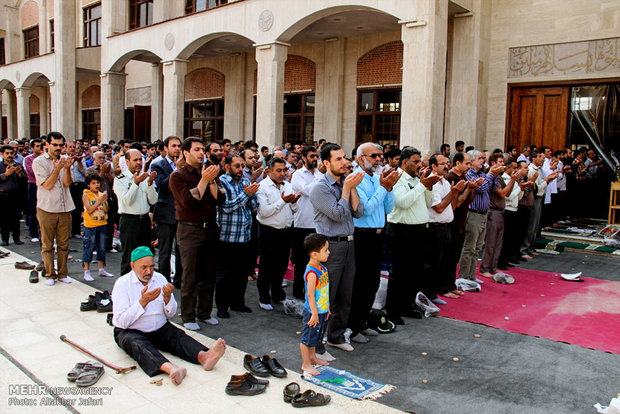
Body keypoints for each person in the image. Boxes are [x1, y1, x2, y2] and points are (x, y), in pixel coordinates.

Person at [112, 246, 226, 385]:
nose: (149, 271)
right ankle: (171, 368)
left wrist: (167, 299)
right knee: (136, 344)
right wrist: (142, 302)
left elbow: (171, 314)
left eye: (152, 267)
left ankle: (205, 357)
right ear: (132, 265)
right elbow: (121, 322)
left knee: (177, 335)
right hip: (132, 331)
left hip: (160, 328)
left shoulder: (159, 278)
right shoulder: (122, 284)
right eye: (144, 267)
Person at [310, 143, 364, 352]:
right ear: (326, 163)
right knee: (325, 298)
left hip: (349, 243)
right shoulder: (320, 187)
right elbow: (337, 214)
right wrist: (347, 189)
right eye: (339, 159)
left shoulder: (345, 183)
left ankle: (336, 336)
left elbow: (358, 211)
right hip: (329, 247)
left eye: (344, 158)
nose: (345, 163)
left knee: (345, 296)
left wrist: (351, 188)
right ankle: (315, 344)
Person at [170, 137, 224, 330]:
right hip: (189, 229)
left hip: (210, 227)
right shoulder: (178, 176)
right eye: (197, 150)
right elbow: (189, 202)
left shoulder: (209, 171)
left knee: (208, 274)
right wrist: (204, 180)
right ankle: (188, 315)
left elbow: (221, 199)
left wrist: (210, 181)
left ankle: (204, 312)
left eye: (203, 149)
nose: (202, 153)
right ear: (186, 153)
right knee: (190, 275)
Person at [348, 143, 399, 343]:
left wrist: (389, 188)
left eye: (380, 155)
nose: (379, 159)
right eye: (374, 156)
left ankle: (362, 322)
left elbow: (389, 207)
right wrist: (383, 188)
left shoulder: (378, 178)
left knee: (373, 282)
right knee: (359, 283)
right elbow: (366, 209)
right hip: (361, 235)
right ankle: (351, 326)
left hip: (378, 235)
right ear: (361, 159)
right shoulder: (355, 179)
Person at [385, 147, 440, 324]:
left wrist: (428, 187)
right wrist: (422, 186)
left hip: (419, 230)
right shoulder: (397, 178)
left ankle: (407, 306)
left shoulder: (417, 179)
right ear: (404, 162)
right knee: (400, 272)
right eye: (416, 161)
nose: (419, 165)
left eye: (419, 161)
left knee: (415, 272)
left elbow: (429, 202)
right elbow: (403, 202)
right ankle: (393, 311)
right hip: (402, 230)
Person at [215, 154, 259, 318]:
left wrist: (250, 196)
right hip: (228, 237)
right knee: (226, 274)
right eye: (237, 166)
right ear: (227, 167)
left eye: (242, 166)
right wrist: (246, 195)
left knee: (241, 273)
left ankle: (238, 303)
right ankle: (221, 306)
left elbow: (254, 205)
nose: (241, 169)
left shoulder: (246, 182)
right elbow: (226, 206)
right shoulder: (221, 182)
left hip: (245, 236)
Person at [256, 157, 300, 310]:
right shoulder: (262, 187)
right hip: (269, 231)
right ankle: (264, 297)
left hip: (286, 231)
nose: (282, 173)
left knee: (281, 265)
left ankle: (278, 294)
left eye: (285, 170)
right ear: (269, 171)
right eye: (279, 170)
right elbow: (265, 212)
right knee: (267, 265)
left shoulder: (287, 185)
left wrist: (293, 201)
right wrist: (283, 201)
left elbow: (295, 210)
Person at [32, 132, 75, 285]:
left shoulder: (64, 160)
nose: (58, 148)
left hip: (65, 208)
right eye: (55, 145)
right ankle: (50, 274)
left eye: (60, 145)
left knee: (64, 244)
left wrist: (67, 168)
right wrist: (57, 169)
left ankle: (63, 273)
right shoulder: (39, 162)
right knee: (48, 244)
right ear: (47, 145)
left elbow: (67, 183)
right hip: (47, 208)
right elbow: (48, 185)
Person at [458, 150, 503, 283]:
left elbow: (492, 188)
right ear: (471, 161)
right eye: (480, 158)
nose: (483, 161)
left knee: (477, 248)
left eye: (484, 158)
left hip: (483, 213)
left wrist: (494, 176)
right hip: (473, 214)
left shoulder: (482, 173)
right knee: (469, 247)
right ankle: (463, 277)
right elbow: (481, 188)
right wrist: (490, 175)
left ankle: (471, 276)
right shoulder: (469, 174)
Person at [427, 154, 466, 300]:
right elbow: (438, 207)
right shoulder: (432, 182)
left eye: (447, 163)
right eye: (443, 163)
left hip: (447, 225)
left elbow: (453, 206)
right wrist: (454, 192)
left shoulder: (444, 182)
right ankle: (435, 291)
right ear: (433, 166)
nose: (446, 166)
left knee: (448, 259)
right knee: (436, 262)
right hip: (435, 227)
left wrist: (456, 193)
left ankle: (447, 286)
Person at [114, 149, 158, 275]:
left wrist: (149, 184)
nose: (139, 162)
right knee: (129, 256)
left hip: (143, 220)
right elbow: (127, 201)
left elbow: (153, 200)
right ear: (127, 161)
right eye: (135, 160)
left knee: (145, 255)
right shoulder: (120, 179)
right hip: (129, 221)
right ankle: (126, 288)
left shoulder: (145, 177)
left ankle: (144, 284)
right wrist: (136, 184)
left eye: (140, 159)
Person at [478, 154, 520, 279]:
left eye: (503, 162)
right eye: (500, 162)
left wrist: (513, 180)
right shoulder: (491, 178)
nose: (502, 164)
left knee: (498, 242)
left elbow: (508, 193)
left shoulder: (499, 178)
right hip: (493, 211)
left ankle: (493, 267)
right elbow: (502, 193)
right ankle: (485, 267)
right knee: (491, 242)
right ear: (492, 163)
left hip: (500, 211)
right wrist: (512, 180)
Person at [150, 136, 183, 286]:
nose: (177, 149)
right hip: (165, 213)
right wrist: (177, 169)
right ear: (165, 148)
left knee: (181, 249)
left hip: (182, 213)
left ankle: (178, 280)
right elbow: (162, 185)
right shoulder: (158, 165)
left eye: (179, 146)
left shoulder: (186, 165)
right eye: (174, 146)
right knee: (165, 249)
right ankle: (164, 280)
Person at [290, 146, 322, 300]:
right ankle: (298, 291)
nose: (315, 159)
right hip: (302, 224)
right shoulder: (297, 175)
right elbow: (309, 192)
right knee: (302, 261)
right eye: (311, 156)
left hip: (318, 224)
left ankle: (312, 289)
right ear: (303, 158)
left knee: (316, 260)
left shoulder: (319, 174)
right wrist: (320, 176)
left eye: (316, 156)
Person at [299, 233, 331, 375]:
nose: (329, 252)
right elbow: (310, 295)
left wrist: (327, 307)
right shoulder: (312, 273)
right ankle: (306, 364)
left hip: (322, 310)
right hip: (313, 313)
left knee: (316, 337)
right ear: (314, 254)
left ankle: (313, 357)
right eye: (325, 250)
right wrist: (314, 313)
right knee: (307, 338)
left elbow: (324, 291)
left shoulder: (322, 268)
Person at [81, 174, 113, 281]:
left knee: (102, 247)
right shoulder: (86, 195)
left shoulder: (101, 194)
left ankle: (101, 269)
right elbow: (89, 209)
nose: (96, 185)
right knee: (88, 247)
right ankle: (86, 270)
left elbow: (106, 209)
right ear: (89, 185)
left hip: (102, 224)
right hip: (90, 225)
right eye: (94, 183)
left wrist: (104, 201)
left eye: (98, 183)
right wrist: (99, 201)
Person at [85, 151, 117, 252]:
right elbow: (92, 182)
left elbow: (114, 182)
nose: (103, 160)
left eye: (104, 158)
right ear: (94, 159)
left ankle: (109, 245)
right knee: (96, 222)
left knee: (110, 223)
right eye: (100, 158)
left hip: (108, 198)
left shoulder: (109, 169)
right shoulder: (90, 170)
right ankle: (95, 246)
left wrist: (107, 173)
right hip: (95, 199)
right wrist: (102, 172)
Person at [0, 145, 27, 246]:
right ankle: (5, 239)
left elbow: (24, 180)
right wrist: (6, 174)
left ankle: (17, 238)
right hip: (3, 195)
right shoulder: (0, 166)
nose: (10, 155)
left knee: (16, 218)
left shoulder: (18, 165)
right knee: (4, 219)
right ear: (2, 154)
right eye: (7, 153)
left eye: (11, 153)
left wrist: (20, 174)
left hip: (16, 195)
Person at [24, 138, 44, 242]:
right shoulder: (28, 159)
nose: (39, 148)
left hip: (44, 185)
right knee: (33, 209)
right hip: (33, 184)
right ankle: (33, 233)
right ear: (32, 148)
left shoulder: (46, 158)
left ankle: (43, 232)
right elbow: (32, 172)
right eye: (37, 146)